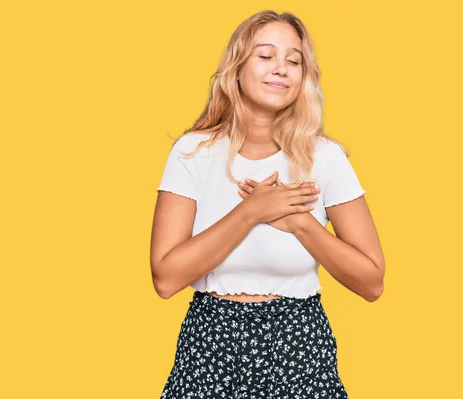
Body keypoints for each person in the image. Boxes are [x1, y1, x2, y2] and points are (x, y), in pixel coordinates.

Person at [151, 10, 385, 398]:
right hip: (210, 347)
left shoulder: (324, 158)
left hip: (300, 346)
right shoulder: (192, 153)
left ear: (303, 78)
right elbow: (166, 278)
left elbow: (372, 282)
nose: (281, 69)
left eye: (294, 61)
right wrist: (252, 212)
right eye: (265, 56)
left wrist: (300, 224)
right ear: (237, 68)